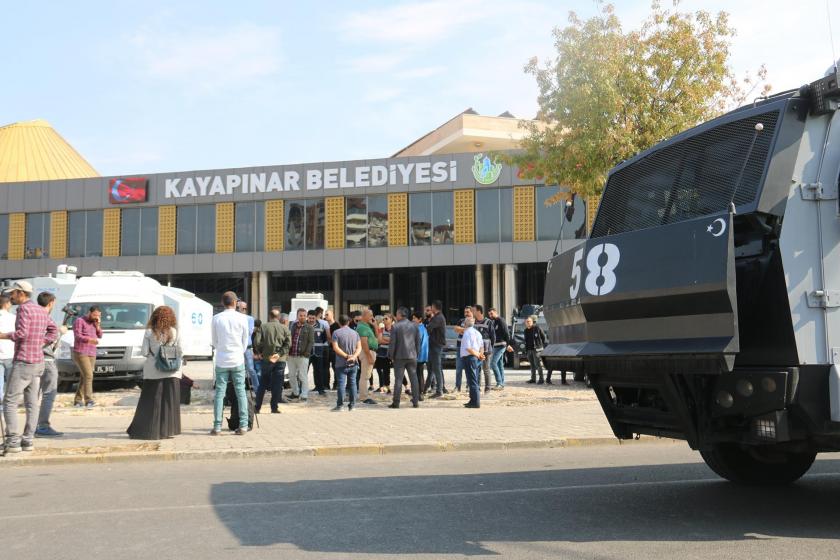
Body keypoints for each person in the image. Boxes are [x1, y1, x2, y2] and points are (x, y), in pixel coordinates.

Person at [0, 282, 58, 454]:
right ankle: (28, 440)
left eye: (13, 294)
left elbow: (22, 333)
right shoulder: (41, 309)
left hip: (23, 360)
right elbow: (54, 331)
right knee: (32, 403)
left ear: (20, 293)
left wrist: (4, 335)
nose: (11, 297)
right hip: (38, 361)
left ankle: (13, 442)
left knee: (9, 401)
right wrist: (40, 342)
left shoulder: (23, 309)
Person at [127, 306, 183, 440]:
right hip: (172, 371)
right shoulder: (175, 332)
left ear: (155, 317)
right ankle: (167, 431)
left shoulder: (149, 332)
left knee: (150, 402)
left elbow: (144, 352)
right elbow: (181, 351)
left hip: (153, 371)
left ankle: (148, 431)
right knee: (169, 403)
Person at [210, 291, 250, 435]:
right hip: (237, 358)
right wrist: (239, 350)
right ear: (235, 303)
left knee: (220, 393)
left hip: (221, 359)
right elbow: (245, 340)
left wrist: (221, 348)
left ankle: (217, 426)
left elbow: (214, 341)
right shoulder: (242, 318)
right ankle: (243, 425)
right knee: (241, 392)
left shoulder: (216, 318)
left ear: (223, 303)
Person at [36, 292, 64, 437]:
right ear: (51, 303)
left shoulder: (33, 316)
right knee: (49, 393)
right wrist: (60, 332)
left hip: (33, 359)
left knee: (33, 395)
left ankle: (32, 426)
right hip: (46, 360)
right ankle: (42, 426)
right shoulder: (46, 318)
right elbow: (48, 341)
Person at [253, 309, 291, 413]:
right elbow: (288, 345)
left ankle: (257, 407)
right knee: (277, 384)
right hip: (280, 359)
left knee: (263, 384)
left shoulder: (263, 327)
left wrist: (261, 351)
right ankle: (274, 407)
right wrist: (279, 354)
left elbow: (256, 342)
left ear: (269, 316)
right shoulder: (285, 328)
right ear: (279, 317)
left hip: (267, 358)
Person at [388, 308, 421, 409]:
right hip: (412, 356)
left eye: (396, 314)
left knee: (398, 379)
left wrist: (390, 355)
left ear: (399, 315)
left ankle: (396, 402)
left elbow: (392, 343)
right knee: (414, 378)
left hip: (399, 357)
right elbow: (418, 342)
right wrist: (416, 354)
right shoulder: (415, 326)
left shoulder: (395, 326)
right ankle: (416, 402)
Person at [72, 305, 102, 408]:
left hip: (92, 353)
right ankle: (89, 400)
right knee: (89, 375)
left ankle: (78, 400)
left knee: (84, 376)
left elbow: (100, 335)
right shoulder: (79, 321)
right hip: (81, 352)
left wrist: (98, 325)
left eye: (98, 316)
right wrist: (89, 340)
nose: (96, 317)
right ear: (89, 312)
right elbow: (78, 336)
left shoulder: (95, 322)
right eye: (94, 315)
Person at [331, 314, 361, 411]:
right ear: (348, 322)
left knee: (341, 384)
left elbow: (335, 347)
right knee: (353, 384)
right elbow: (359, 347)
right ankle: (352, 405)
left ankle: (340, 405)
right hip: (353, 362)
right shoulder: (355, 333)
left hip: (341, 363)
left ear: (339, 322)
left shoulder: (336, 333)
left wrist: (346, 356)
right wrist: (354, 356)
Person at [287, 308, 314, 402]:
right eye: (300, 315)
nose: (302, 317)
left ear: (306, 316)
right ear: (297, 316)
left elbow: (311, 342)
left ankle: (304, 394)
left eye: (304, 315)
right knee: (291, 375)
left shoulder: (309, 327)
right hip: (291, 355)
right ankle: (295, 393)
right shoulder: (293, 325)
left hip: (302, 356)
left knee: (302, 376)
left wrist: (306, 353)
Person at [460, 316, 485, 409]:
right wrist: (480, 355)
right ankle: (472, 400)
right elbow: (482, 346)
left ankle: (476, 402)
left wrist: (478, 355)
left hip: (470, 358)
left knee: (472, 381)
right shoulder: (477, 333)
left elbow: (469, 348)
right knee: (475, 380)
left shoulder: (467, 333)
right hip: (476, 357)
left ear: (465, 324)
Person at [355, 308, 379, 405]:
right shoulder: (362, 327)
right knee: (365, 375)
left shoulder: (367, 326)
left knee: (366, 375)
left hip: (370, 351)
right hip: (367, 352)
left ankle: (363, 395)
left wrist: (375, 325)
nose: (372, 317)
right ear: (364, 316)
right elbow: (364, 342)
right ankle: (363, 397)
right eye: (370, 315)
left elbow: (377, 338)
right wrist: (369, 355)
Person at [487, 307, 514, 389]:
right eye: (489, 314)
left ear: (495, 312)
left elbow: (506, 333)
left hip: (502, 346)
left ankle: (499, 383)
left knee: (493, 363)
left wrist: (508, 344)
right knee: (499, 365)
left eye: (491, 313)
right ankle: (501, 383)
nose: (490, 315)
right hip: (495, 346)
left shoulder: (501, 320)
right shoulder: (493, 322)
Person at [472, 305, 496, 394]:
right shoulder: (473, 322)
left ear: (479, 311)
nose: (472, 312)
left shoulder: (488, 322)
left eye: (474, 310)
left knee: (486, 369)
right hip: (476, 351)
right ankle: (477, 388)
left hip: (486, 350)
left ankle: (487, 388)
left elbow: (493, 337)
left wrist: (491, 348)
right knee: (477, 369)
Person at [237, 301, 259, 392]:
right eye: (242, 308)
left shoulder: (250, 318)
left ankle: (257, 389)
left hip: (247, 347)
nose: (244, 310)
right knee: (238, 369)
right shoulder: (235, 318)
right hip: (237, 346)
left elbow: (250, 332)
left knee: (251, 369)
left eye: (245, 308)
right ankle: (240, 388)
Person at [426, 300, 446, 398]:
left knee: (437, 368)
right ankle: (429, 388)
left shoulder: (438, 318)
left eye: (432, 307)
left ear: (434, 307)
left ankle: (439, 390)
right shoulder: (438, 317)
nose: (431, 309)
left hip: (436, 345)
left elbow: (428, 328)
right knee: (434, 368)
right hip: (435, 345)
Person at [0, 294, 15, 413]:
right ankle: (9, 408)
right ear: (6, 303)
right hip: (10, 354)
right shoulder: (13, 317)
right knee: (10, 385)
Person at [453, 306, 474, 392]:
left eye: (468, 312)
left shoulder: (474, 321)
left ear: (472, 312)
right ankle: (457, 387)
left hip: (470, 348)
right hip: (459, 347)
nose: (466, 314)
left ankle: (469, 386)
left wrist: (462, 330)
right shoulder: (461, 320)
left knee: (469, 368)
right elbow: (455, 329)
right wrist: (466, 329)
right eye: (465, 312)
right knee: (458, 368)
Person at [310, 309, 330, 396]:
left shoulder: (321, 326)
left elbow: (325, 338)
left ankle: (320, 389)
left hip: (318, 352)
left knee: (319, 371)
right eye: (310, 318)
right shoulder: (304, 326)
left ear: (316, 318)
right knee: (304, 371)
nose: (311, 320)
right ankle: (301, 390)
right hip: (307, 352)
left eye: (313, 318)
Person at [524, 315, 547, 384]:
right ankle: (533, 379)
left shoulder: (537, 328)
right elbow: (526, 341)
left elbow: (544, 338)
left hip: (536, 350)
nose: (528, 323)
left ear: (532, 322)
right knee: (532, 365)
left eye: (529, 321)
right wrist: (527, 350)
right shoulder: (525, 330)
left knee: (537, 364)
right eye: (527, 322)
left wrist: (540, 346)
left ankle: (541, 379)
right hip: (529, 350)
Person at [411, 311, 429, 395]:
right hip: (422, 354)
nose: (413, 320)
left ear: (420, 319)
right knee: (420, 373)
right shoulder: (423, 328)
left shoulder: (419, 328)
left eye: (415, 318)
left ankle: (419, 391)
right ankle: (421, 390)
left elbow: (417, 343)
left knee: (418, 374)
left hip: (418, 355)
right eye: (413, 318)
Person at [375, 314, 393, 393]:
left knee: (387, 370)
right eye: (383, 318)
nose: (384, 320)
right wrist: (389, 340)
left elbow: (394, 340)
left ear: (391, 320)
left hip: (389, 352)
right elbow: (379, 340)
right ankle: (381, 386)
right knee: (379, 369)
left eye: (386, 318)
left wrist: (384, 339)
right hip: (380, 351)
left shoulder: (394, 329)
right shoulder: (381, 328)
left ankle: (387, 387)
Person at [327, 310, 341, 389]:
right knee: (325, 368)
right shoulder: (325, 325)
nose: (325, 316)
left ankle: (336, 384)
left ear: (332, 315)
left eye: (327, 314)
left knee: (335, 367)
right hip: (326, 348)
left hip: (334, 349)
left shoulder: (336, 325)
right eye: (325, 315)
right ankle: (326, 384)